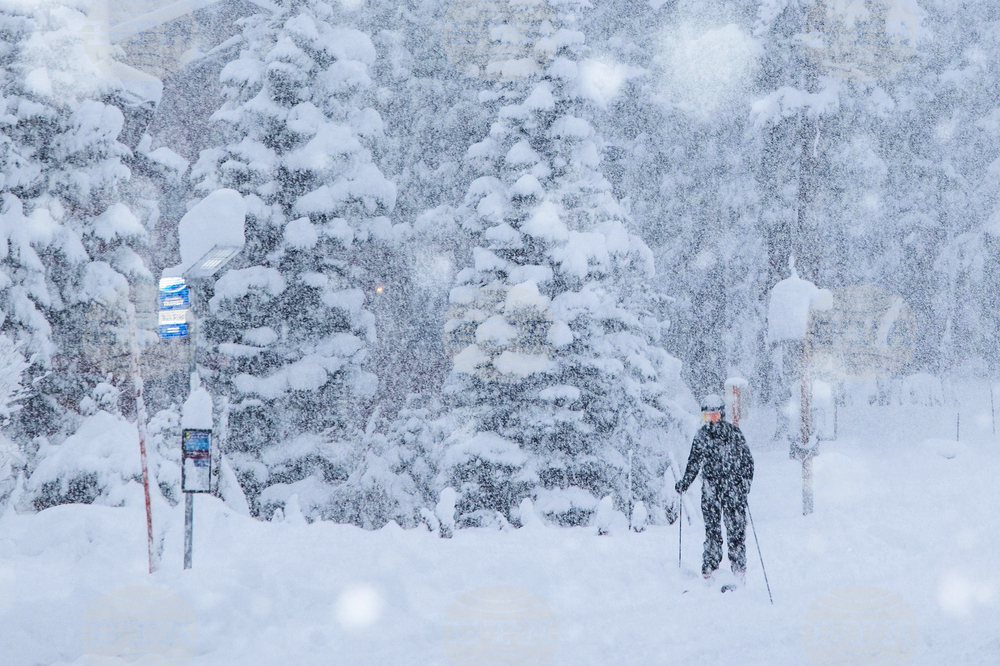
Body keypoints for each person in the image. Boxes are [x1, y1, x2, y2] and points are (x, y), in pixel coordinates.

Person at [675, 394, 754, 583]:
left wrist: (744, 485)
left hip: (733, 489)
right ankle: (710, 567)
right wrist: (685, 482)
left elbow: (748, 463)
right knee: (712, 530)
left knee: (736, 530)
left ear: (722, 415)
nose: (711, 421)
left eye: (715, 416)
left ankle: (738, 569)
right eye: (707, 417)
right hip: (711, 488)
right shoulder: (701, 436)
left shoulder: (734, 434)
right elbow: (694, 462)